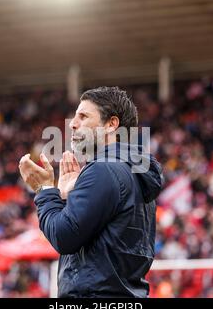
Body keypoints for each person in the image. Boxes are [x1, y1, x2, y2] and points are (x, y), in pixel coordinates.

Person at [18, 86, 164, 297]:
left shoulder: (103, 168)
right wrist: (67, 198)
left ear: (111, 124)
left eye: (83, 116)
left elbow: (63, 237)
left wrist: (44, 189)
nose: (73, 124)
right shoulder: (134, 173)